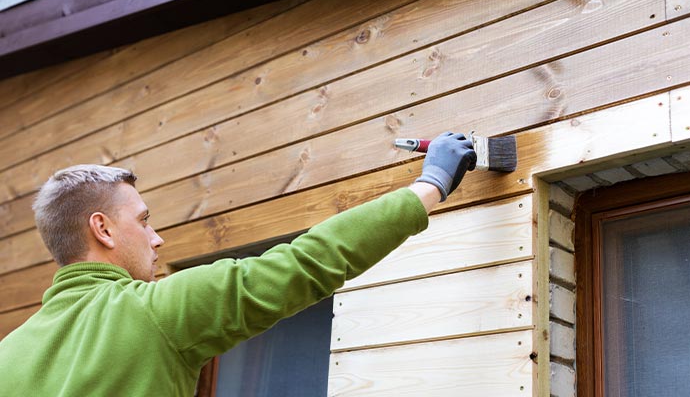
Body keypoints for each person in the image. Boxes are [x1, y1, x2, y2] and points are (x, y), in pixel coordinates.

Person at [0, 132, 476, 396]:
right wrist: (431, 182)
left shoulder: (9, 355)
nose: (157, 237)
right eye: (144, 222)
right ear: (102, 229)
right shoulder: (154, 312)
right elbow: (306, 263)